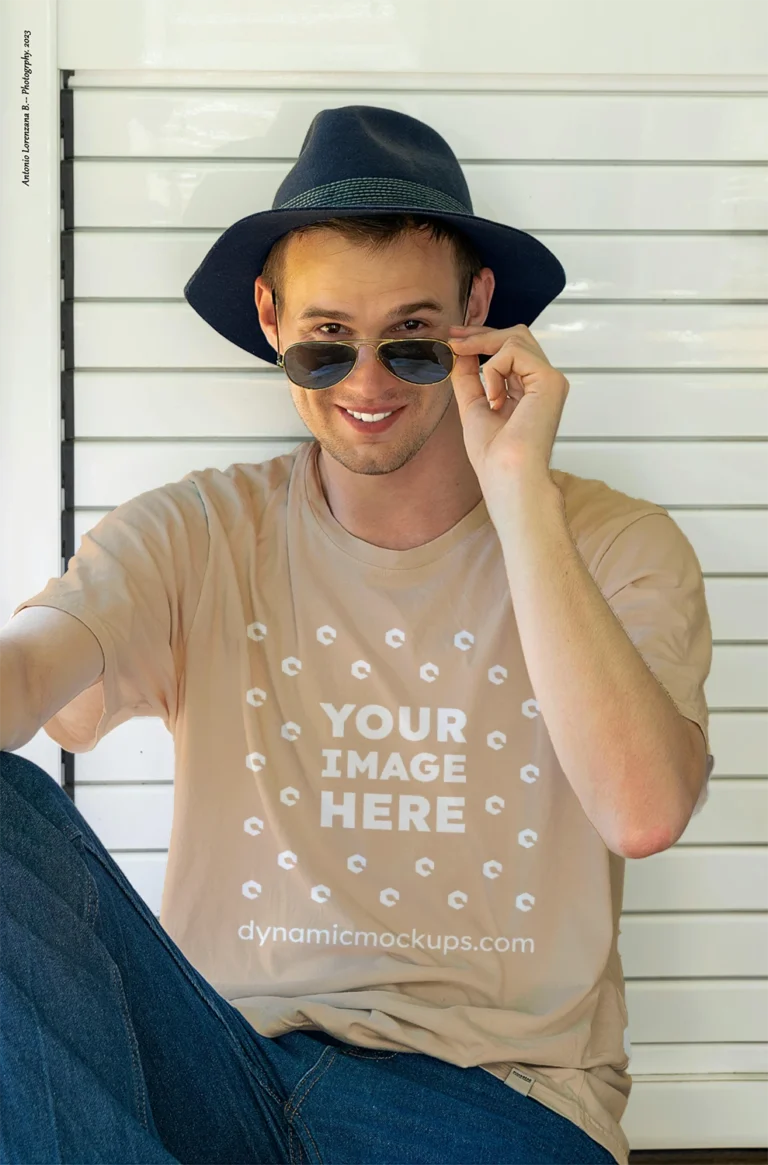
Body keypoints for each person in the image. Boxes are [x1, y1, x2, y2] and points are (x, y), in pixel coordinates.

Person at [0, 105, 713, 1165]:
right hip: (226, 1068)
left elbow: (644, 810)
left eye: (414, 344)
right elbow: (33, 671)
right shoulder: (199, 530)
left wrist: (516, 489)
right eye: (327, 346)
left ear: (478, 312)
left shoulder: (615, 544)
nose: (370, 385)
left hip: (492, 1098)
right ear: (271, 317)